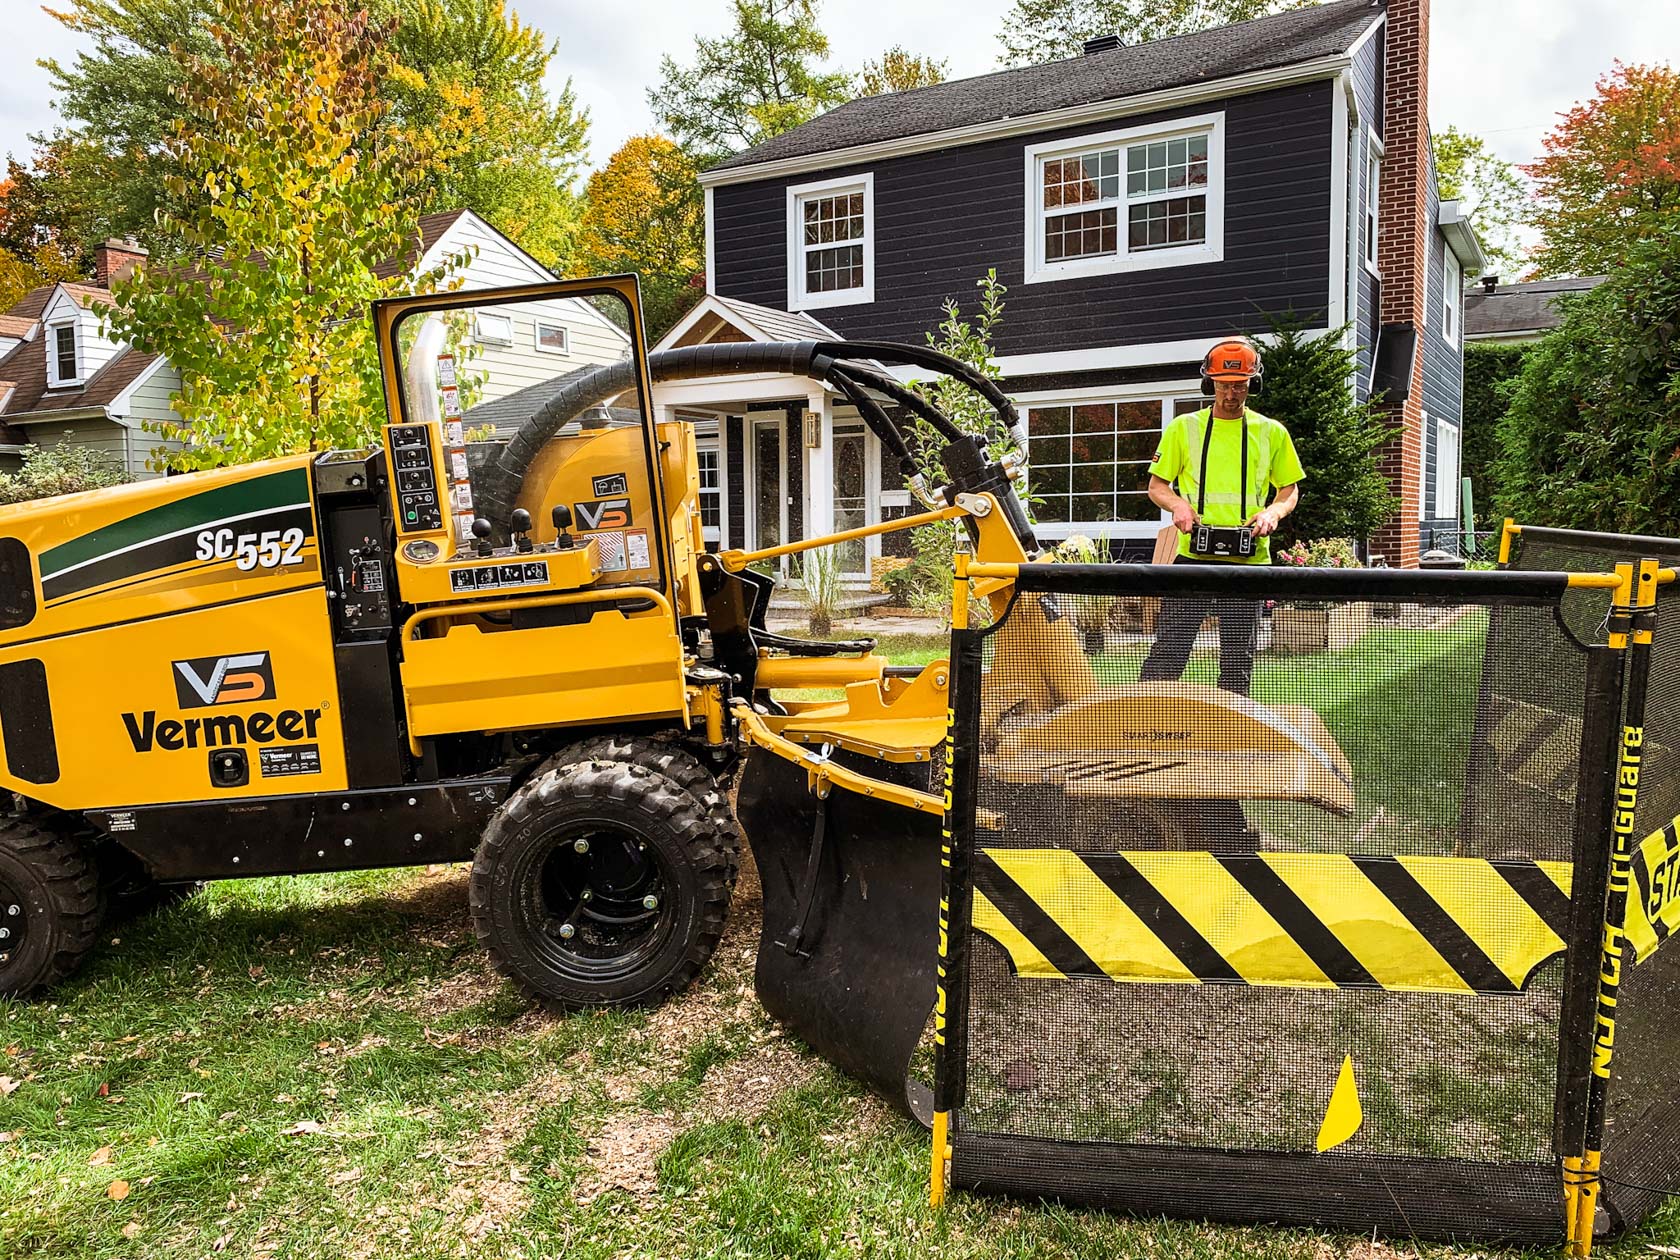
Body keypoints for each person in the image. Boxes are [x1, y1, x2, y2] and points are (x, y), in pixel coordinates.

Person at [1138, 336, 1304, 696]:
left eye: (1239, 386)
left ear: (1253, 383)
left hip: (1250, 561)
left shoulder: (1272, 432)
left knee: (1237, 661)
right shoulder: (1184, 428)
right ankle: (1142, 721)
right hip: (1193, 558)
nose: (1231, 394)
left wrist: (1273, 513)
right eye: (1223, 386)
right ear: (1209, 382)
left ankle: (1232, 739)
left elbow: (1289, 491)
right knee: (1167, 653)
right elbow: (1157, 487)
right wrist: (1179, 506)